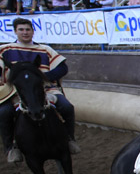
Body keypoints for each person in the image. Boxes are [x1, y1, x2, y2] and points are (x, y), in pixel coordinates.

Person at [0, 18, 81, 163]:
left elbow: (62, 67)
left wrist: (43, 78)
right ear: (15, 31)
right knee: (4, 112)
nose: (25, 32)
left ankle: (69, 139)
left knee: (67, 107)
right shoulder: (5, 49)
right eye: (21, 30)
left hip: (46, 90)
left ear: (32, 31)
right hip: (17, 93)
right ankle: (11, 148)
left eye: (28, 29)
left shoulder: (45, 49)